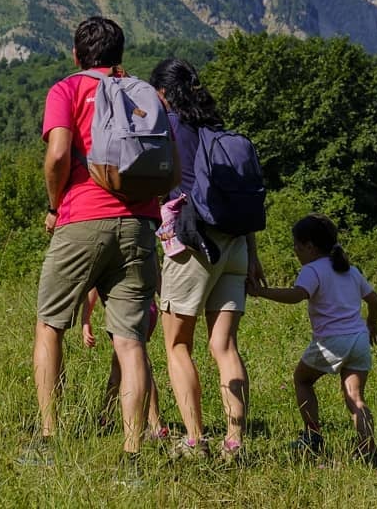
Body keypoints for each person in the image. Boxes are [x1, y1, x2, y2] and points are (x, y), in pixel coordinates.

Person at [29, 17, 170, 478]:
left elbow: (57, 154)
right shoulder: (145, 92)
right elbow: (174, 166)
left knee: (50, 325)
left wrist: (55, 204)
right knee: (130, 342)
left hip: (82, 218)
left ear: (76, 55)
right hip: (140, 224)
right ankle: (133, 456)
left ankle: (49, 438)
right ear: (120, 53)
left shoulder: (66, 90)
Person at [149, 57, 264, 461]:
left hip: (194, 240)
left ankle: (195, 440)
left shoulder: (169, 128)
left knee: (177, 344)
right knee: (225, 343)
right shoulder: (217, 130)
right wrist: (252, 252)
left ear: (162, 93)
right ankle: (235, 443)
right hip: (234, 241)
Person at [249, 214, 377, 461]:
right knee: (355, 397)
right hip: (359, 340)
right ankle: (368, 448)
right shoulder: (350, 270)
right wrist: (372, 323)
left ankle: (312, 436)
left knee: (302, 380)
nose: (296, 252)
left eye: (297, 247)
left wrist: (261, 292)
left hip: (332, 341)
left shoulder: (312, 270)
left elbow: (297, 295)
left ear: (309, 246)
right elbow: (374, 300)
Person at [81, 289, 167, 440]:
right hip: (147, 307)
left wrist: (85, 318)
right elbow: (156, 274)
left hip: (125, 311)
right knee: (120, 362)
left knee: (137, 359)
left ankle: (156, 425)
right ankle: (106, 415)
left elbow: (93, 287)